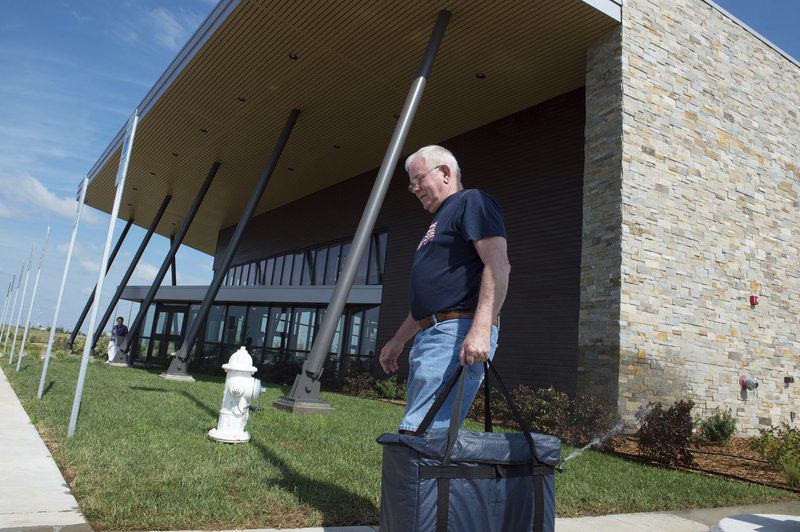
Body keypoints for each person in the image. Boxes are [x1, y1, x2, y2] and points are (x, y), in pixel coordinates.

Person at [379, 145, 510, 434]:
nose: (414, 189)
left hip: (456, 333)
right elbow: (435, 297)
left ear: (445, 173)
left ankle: (419, 480)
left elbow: (498, 265)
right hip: (433, 335)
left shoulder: (471, 201)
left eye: (418, 179)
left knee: (422, 432)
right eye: (411, 184)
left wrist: (482, 329)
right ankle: (422, 480)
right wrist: (399, 340)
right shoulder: (440, 220)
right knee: (423, 432)